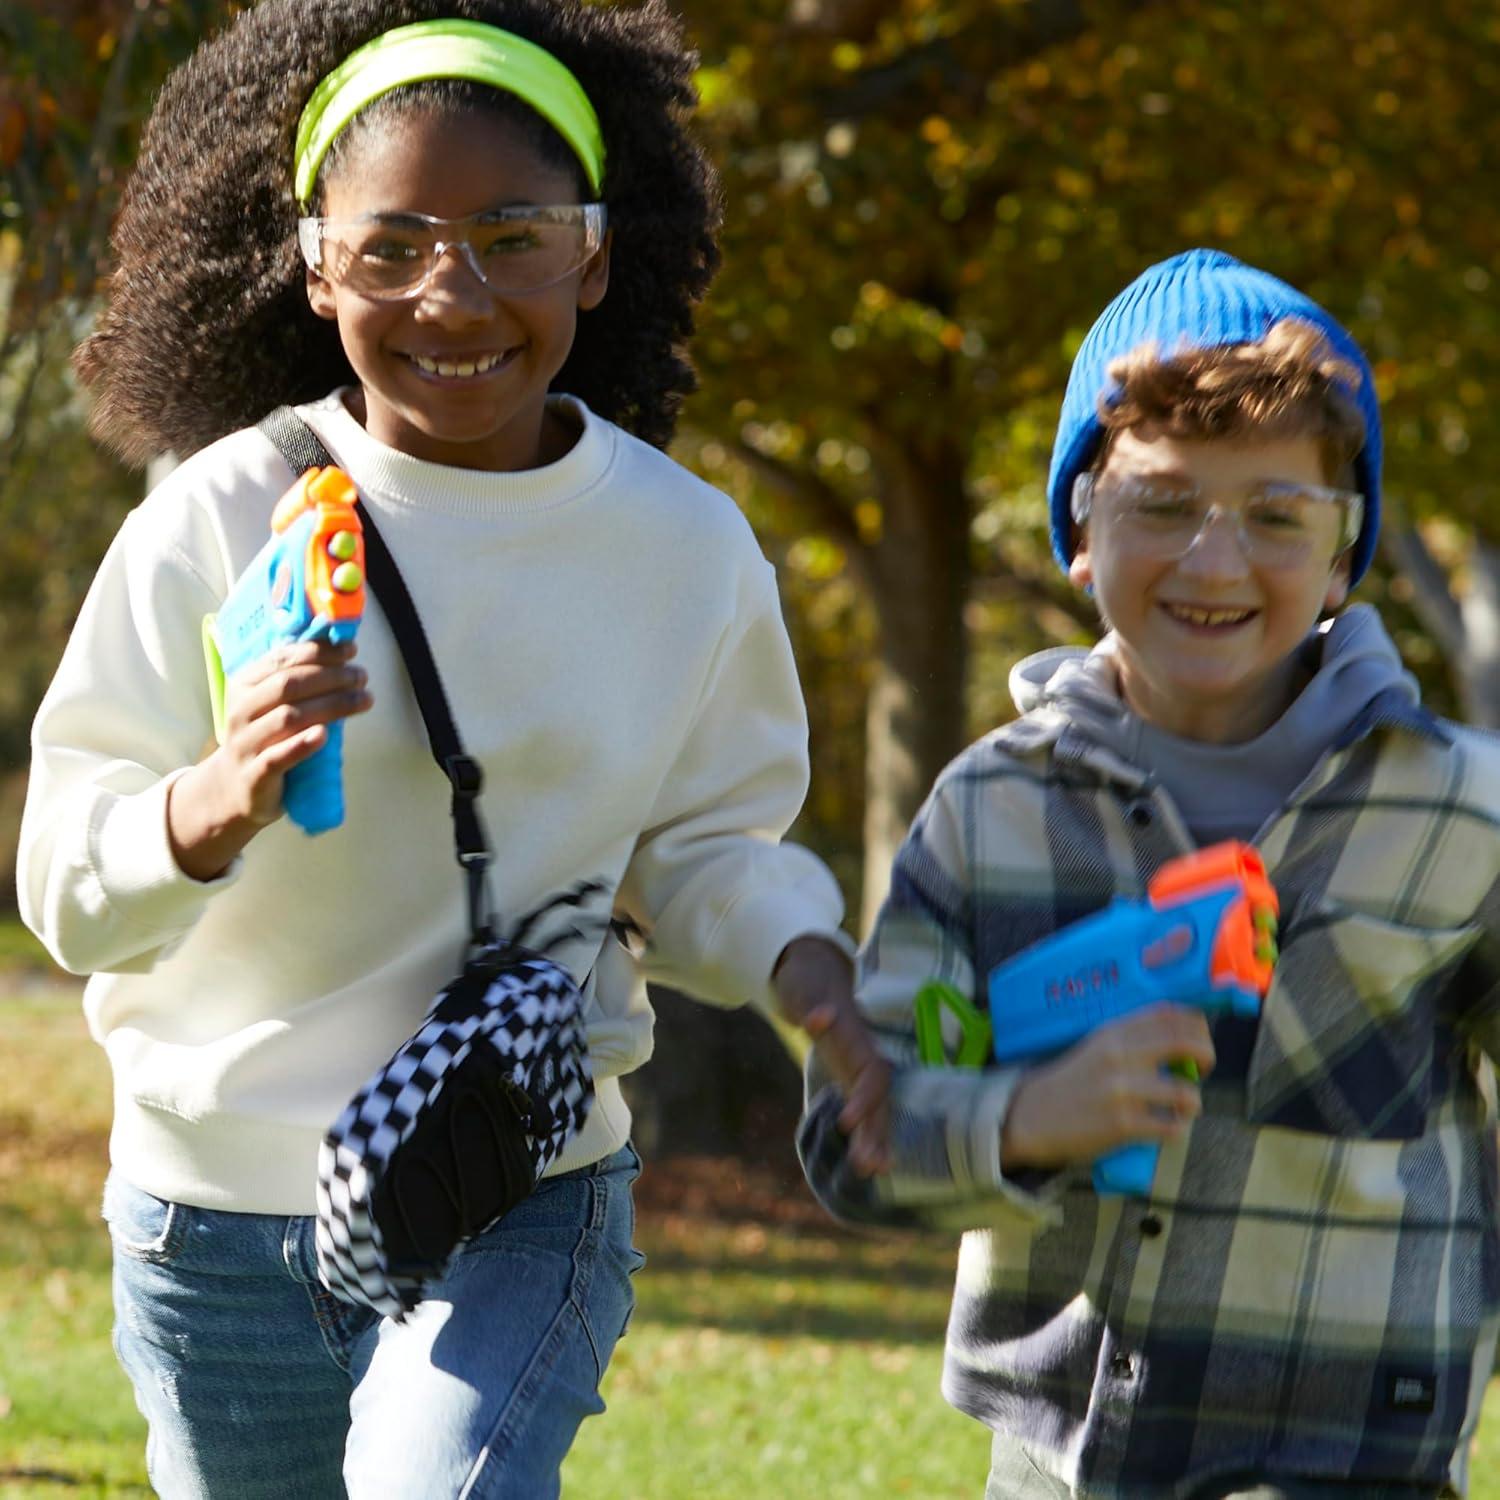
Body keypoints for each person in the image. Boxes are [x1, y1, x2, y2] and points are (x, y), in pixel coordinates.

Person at [17, 2, 888, 1495]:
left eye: (512, 237)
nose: (454, 293)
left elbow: (707, 855)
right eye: (394, 245)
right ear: (315, 265)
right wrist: (213, 803)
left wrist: (814, 978)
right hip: (213, 1216)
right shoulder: (216, 518)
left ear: (593, 256)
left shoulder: (684, 550)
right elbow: (65, 891)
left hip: (514, 1180)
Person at [799, 248, 1500, 1499]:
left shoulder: (1460, 812)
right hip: (1060, 1458)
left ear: (1342, 555)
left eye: (1277, 515)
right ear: (1081, 530)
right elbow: (855, 1141)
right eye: (1163, 504)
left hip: (1354, 1460)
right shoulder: (989, 813)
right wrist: (1024, 1119)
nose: (1215, 563)